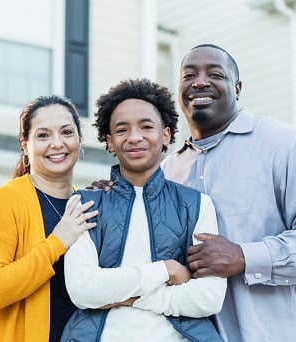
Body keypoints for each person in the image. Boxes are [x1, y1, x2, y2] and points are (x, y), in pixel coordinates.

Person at [91, 44, 296, 341]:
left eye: (215, 74)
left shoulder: (286, 146)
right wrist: (115, 195)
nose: (199, 82)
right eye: (189, 75)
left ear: (237, 88)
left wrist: (244, 256)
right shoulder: (167, 171)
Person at [61, 78, 227, 341]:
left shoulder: (196, 205)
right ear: (110, 141)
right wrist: (165, 270)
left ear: (166, 135)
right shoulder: (85, 203)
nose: (134, 137)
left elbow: (208, 298)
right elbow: (83, 290)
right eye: (122, 130)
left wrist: (128, 298)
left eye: (146, 126)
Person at [0, 95, 99, 342]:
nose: (57, 143)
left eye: (66, 132)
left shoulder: (87, 205)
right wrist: (56, 244)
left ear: (79, 139)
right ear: (25, 143)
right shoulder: (6, 200)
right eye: (43, 135)